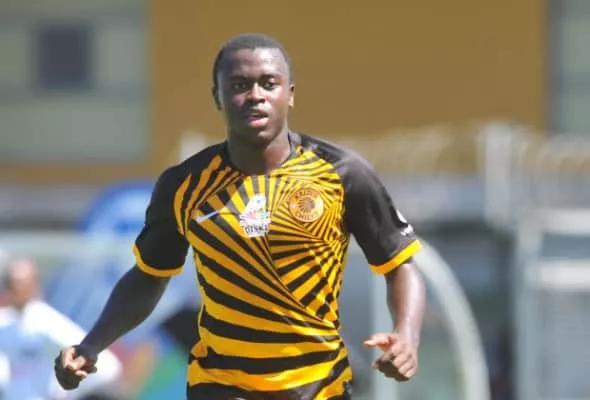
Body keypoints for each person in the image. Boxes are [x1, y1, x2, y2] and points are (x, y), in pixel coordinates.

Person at [54, 33, 427, 400]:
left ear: (290, 94)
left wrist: (406, 335)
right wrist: (91, 345)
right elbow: (149, 275)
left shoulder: (342, 173)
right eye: (239, 85)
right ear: (217, 96)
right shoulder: (184, 185)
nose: (255, 95)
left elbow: (399, 265)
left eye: (269, 84)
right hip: (221, 384)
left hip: (319, 386)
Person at [0, 256, 122, 400]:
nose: (16, 290)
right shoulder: (4, 322)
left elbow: (108, 366)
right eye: (11, 285)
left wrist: (68, 391)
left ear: (34, 285)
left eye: (21, 285)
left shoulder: (47, 322)